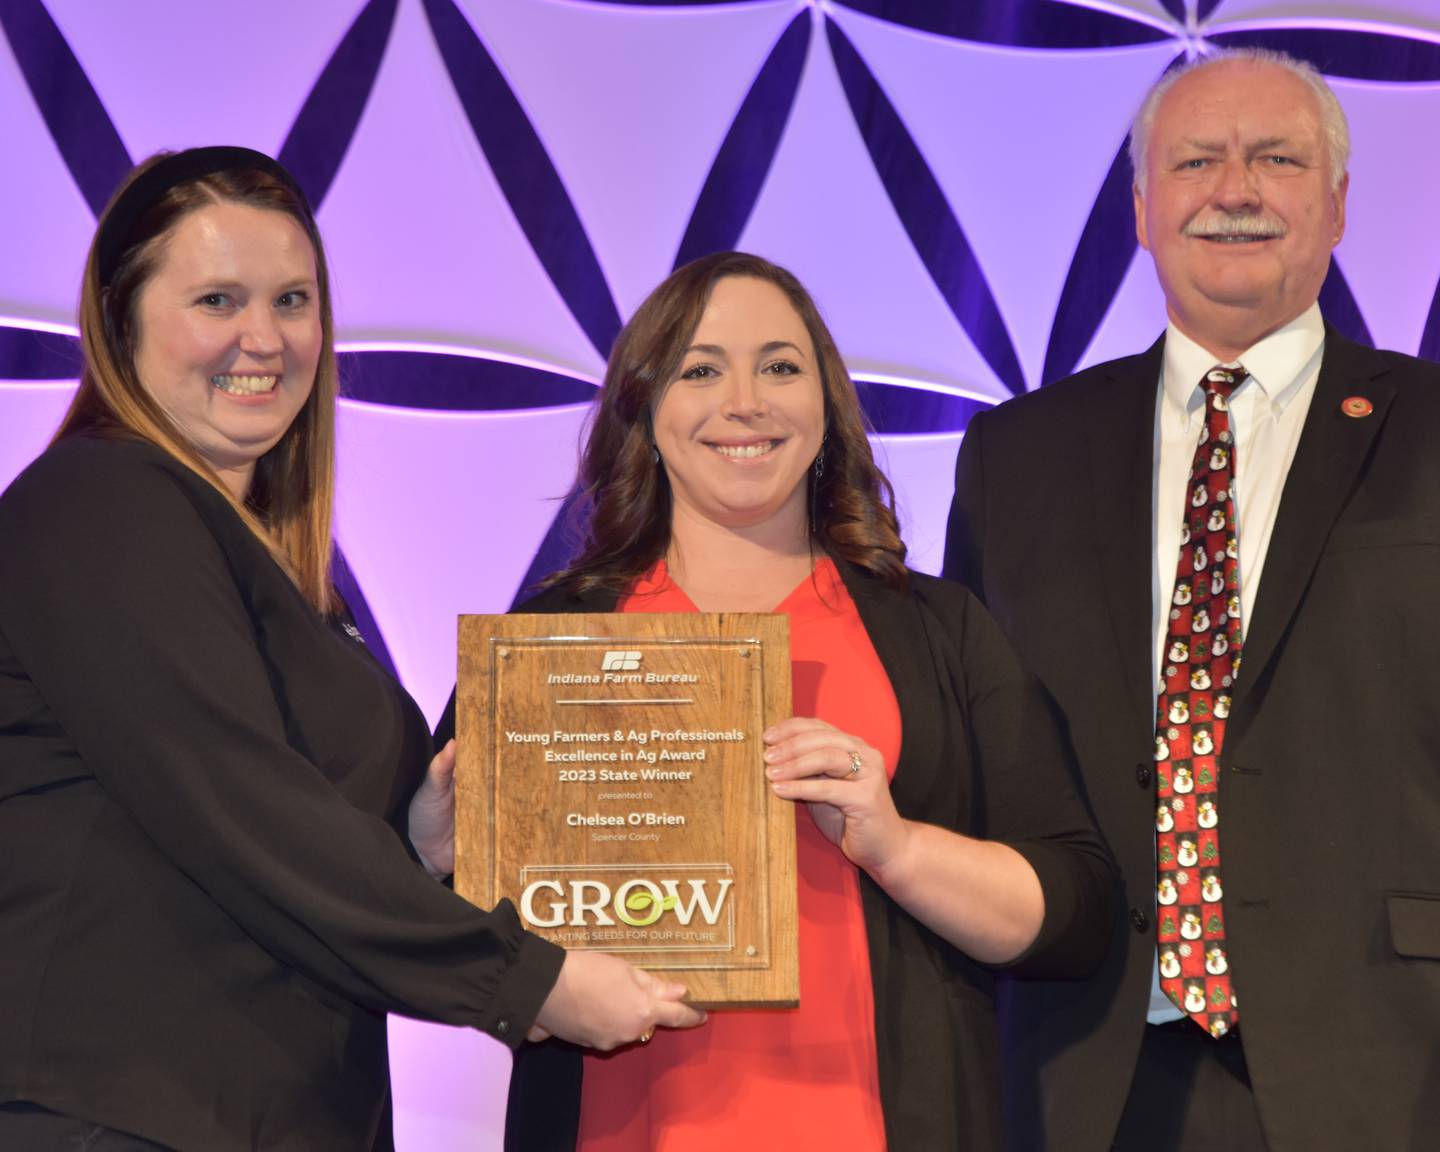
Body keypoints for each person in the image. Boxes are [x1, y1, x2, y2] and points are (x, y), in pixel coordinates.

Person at [0, 146, 702, 1152]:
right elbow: (240, 805)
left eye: (292, 300)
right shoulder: (102, 505)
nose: (263, 338)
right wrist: (528, 977)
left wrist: (415, 838)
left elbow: (258, 808)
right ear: (119, 318)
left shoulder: (263, 560)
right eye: (215, 300)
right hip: (121, 1110)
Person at [436, 251, 1115, 1150]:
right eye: (700, 368)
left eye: (781, 367)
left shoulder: (937, 630)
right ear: (645, 408)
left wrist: (900, 848)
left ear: (827, 409)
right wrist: (431, 844)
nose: (744, 401)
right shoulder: (555, 637)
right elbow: (432, 926)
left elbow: (1077, 911)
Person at [944, 48, 1440, 1152]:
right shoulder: (1015, 456)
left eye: (1277, 158)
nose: (1236, 189)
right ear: (1142, 207)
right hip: (1081, 1068)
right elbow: (973, 766)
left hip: (1393, 1063)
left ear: (1339, 205)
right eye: (1197, 160)